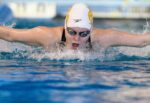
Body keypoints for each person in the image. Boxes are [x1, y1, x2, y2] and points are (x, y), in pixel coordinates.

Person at [0, 3, 150, 51]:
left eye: (83, 34)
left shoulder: (104, 38)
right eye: (71, 32)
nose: (76, 38)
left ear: (91, 30)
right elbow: (9, 35)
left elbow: (141, 41)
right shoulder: (46, 36)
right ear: (65, 27)